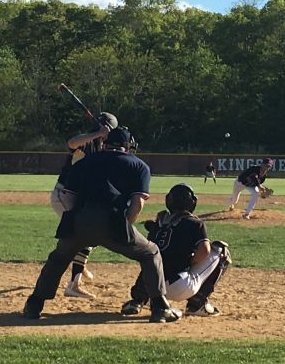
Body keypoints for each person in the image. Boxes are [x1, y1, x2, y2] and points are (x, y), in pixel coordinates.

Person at [23, 127, 181, 323]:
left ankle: (34, 304)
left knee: (58, 259)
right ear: (128, 146)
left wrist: (78, 221)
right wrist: (125, 227)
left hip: (79, 219)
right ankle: (159, 307)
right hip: (113, 221)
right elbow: (138, 203)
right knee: (150, 253)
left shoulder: (84, 162)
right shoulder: (139, 165)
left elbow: (68, 196)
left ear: (105, 144)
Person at [121, 183, 231, 318]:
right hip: (180, 286)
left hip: (153, 289)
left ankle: (138, 300)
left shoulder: (158, 224)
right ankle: (197, 304)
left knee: (152, 258)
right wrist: (191, 262)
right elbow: (205, 251)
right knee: (222, 250)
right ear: (192, 202)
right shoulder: (195, 223)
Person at [50, 112, 118, 299]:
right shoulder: (88, 141)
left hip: (74, 196)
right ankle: (74, 285)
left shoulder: (101, 147)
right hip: (65, 195)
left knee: (82, 234)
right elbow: (72, 142)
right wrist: (97, 134)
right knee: (86, 234)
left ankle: (79, 265)